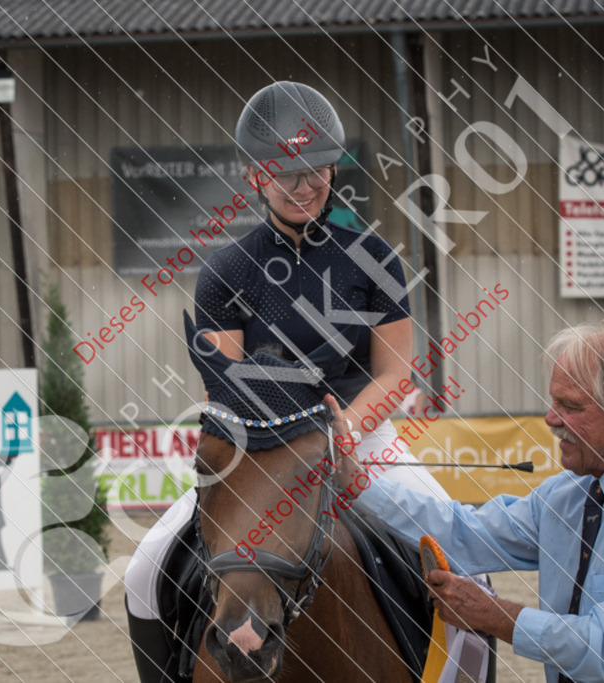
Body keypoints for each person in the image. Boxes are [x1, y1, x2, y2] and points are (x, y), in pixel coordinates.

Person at [125, 81, 449, 681]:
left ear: (332, 170)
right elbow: (224, 388)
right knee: (143, 569)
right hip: (260, 449)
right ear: (256, 177)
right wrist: (280, 438)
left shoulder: (375, 258)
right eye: (286, 174)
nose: (304, 186)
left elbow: (394, 371)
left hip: (360, 436)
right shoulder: (226, 271)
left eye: (315, 171)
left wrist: (343, 428)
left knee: (460, 557)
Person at [331, 319, 604, 682]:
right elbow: (468, 533)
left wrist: (495, 615)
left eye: (570, 406)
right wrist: (360, 485)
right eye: (553, 402)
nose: (551, 418)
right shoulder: (573, 492)